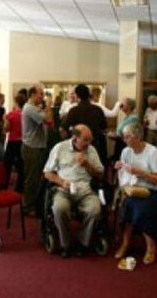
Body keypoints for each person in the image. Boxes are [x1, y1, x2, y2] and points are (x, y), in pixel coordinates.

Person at [44, 124, 104, 258]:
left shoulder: (92, 150)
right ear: (75, 138)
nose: (89, 143)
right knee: (59, 208)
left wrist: (87, 165)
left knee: (95, 210)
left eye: (90, 139)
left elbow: (100, 175)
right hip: (64, 188)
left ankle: (83, 242)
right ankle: (66, 243)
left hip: (85, 189)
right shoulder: (60, 148)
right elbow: (47, 173)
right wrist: (61, 182)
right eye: (85, 140)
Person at [114, 123, 157, 265]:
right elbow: (123, 174)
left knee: (139, 209)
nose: (124, 139)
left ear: (138, 137)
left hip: (150, 190)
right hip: (131, 189)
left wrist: (141, 173)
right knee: (130, 204)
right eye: (124, 137)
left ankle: (151, 247)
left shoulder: (152, 152)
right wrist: (120, 168)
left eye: (127, 137)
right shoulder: (126, 151)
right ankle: (125, 243)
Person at [21, 85, 52, 216]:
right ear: (33, 94)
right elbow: (49, 120)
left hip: (37, 147)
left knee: (35, 178)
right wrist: (49, 106)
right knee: (31, 179)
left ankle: (33, 204)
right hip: (32, 148)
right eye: (41, 94)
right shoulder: (29, 108)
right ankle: (28, 207)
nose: (43, 97)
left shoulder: (35, 108)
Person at [62, 84, 107, 165]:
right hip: (96, 144)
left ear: (77, 95)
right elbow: (104, 127)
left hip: (79, 146)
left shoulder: (73, 111)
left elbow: (65, 128)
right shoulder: (98, 110)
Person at [3, 93, 26, 192]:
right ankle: (20, 187)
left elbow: (6, 129)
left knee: (7, 164)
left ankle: (4, 185)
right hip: (23, 142)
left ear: (16, 102)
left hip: (12, 141)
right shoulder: (26, 114)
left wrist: (4, 120)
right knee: (21, 165)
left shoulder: (11, 114)